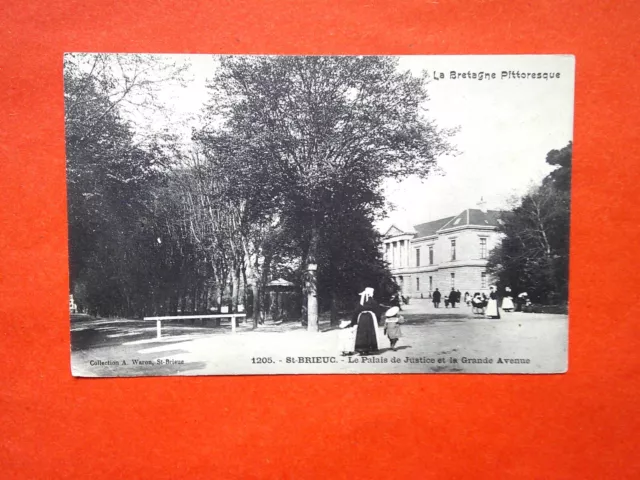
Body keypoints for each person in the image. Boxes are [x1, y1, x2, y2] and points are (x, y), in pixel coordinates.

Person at [349, 287, 384, 355]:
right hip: (370, 318)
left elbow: (356, 311)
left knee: (361, 333)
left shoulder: (360, 302)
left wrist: (353, 322)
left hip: (361, 318)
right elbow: (378, 310)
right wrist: (378, 319)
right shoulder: (373, 301)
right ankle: (368, 348)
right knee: (370, 332)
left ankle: (361, 349)